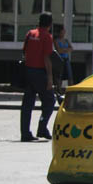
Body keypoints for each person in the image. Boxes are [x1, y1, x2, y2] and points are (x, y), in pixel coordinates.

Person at [20, 12, 56, 142]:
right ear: (50, 24)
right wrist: (50, 78)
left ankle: (25, 133)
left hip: (28, 72)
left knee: (27, 104)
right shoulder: (47, 36)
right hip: (40, 73)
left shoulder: (30, 34)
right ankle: (42, 126)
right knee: (50, 101)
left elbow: (24, 51)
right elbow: (47, 58)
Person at [53, 24, 73, 93]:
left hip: (66, 59)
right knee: (60, 76)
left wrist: (64, 49)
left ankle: (70, 91)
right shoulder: (56, 40)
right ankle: (59, 90)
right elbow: (59, 50)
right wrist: (66, 49)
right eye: (63, 31)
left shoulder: (66, 40)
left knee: (69, 76)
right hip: (60, 60)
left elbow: (71, 48)